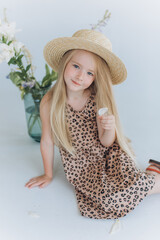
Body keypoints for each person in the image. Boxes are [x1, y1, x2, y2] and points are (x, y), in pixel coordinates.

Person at [25, 29, 160, 219]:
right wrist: (47, 174)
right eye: (76, 66)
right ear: (65, 62)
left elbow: (106, 143)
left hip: (110, 155)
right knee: (105, 202)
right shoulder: (50, 102)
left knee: (127, 181)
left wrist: (109, 128)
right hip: (82, 167)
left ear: (95, 78)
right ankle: (154, 177)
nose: (80, 76)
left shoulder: (97, 99)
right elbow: (47, 141)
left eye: (89, 73)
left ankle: (153, 178)